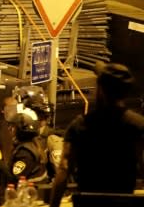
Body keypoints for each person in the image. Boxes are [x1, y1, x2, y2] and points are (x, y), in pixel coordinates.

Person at [49, 62, 144, 207]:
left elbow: (64, 168)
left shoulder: (81, 125)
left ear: (101, 90)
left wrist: (54, 205)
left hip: (87, 203)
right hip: (124, 202)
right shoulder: (138, 125)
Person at [0, 110, 48, 184]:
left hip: (29, 193)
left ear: (20, 131)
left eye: (13, 127)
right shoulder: (31, 145)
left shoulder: (25, 153)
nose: (10, 129)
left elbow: (14, 180)